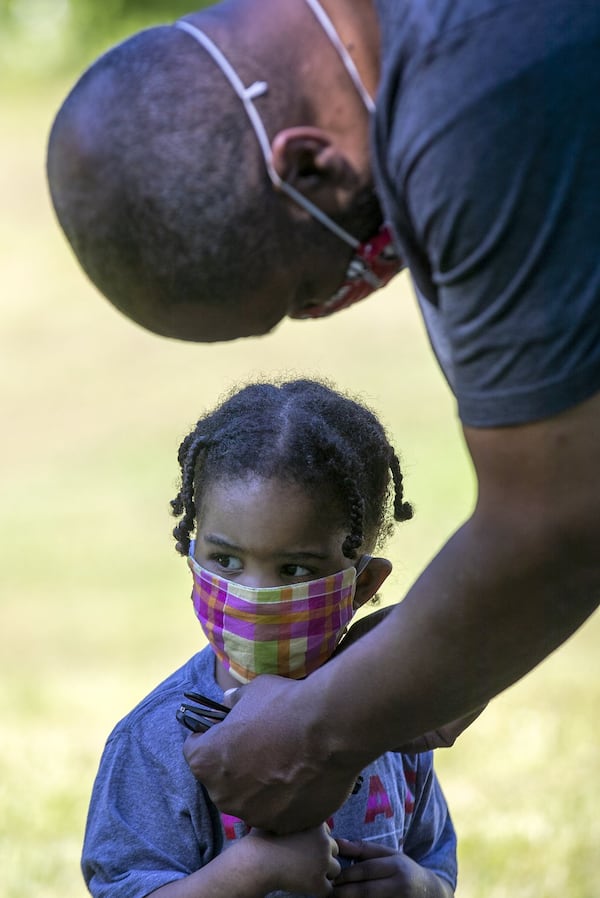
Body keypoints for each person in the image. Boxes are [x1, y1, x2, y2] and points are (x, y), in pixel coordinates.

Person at [47, 0, 600, 831]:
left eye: (306, 292)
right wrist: (429, 669)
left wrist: (323, 731)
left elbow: (561, 511)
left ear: (307, 166)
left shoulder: (475, 106)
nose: (330, 302)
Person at [81, 378, 457, 898]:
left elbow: (433, 858)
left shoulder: (391, 718)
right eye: (227, 561)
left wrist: (421, 887)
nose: (253, 596)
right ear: (193, 560)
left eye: (295, 568)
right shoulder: (156, 741)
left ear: (362, 584)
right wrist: (247, 872)